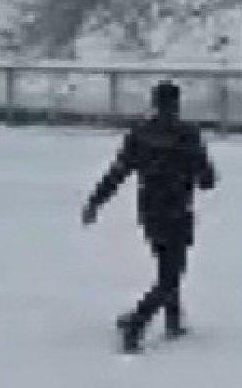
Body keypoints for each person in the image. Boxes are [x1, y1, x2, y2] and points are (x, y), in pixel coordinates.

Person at [82, 80, 217, 353]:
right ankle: (137, 323)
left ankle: (173, 320)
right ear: (177, 104)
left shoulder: (139, 134)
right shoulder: (187, 135)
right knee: (171, 273)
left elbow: (118, 172)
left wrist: (96, 201)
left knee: (166, 265)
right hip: (177, 210)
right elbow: (207, 180)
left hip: (149, 210)